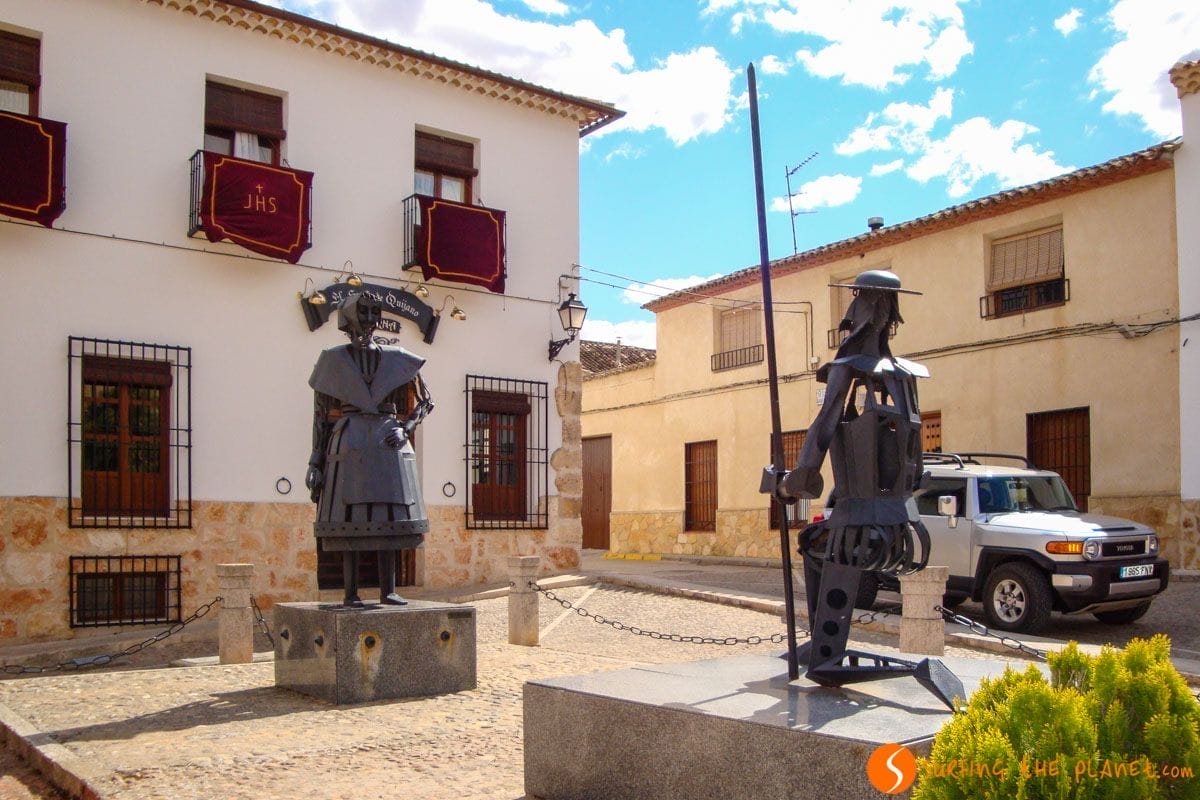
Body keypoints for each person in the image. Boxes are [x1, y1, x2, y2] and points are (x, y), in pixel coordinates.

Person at [306, 292, 433, 606]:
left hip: (388, 441)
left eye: (370, 321)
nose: (364, 329)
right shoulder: (332, 360)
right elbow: (320, 417)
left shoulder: (398, 357)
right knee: (350, 520)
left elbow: (426, 402)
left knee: (388, 518)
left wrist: (406, 427)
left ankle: (388, 589)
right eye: (358, 323)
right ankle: (350, 593)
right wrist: (315, 461)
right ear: (347, 326)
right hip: (347, 443)